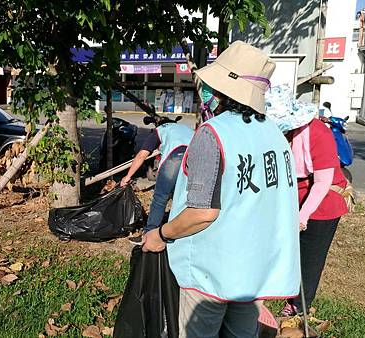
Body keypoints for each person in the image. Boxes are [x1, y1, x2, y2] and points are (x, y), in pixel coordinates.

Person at [142, 41, 301, 337]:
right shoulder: (275, 135)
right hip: (255, 270)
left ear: (220, 91)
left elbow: (202, 213)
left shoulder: (213, 133)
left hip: (211, 271)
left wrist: (161, 234)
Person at [266, 86, 349, 317]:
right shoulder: (280, 134)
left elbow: (323, 182)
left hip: (322, 203)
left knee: (309, 258)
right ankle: (281, 291)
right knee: (287, 251)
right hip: (294, 197)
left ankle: (298, 307)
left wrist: (302, 217)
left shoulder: (317, 132)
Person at [120, 120, 193, 231]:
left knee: (160, 197)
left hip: (176, 156)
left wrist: (128, 176)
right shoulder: (186, 128)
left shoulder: (159, 131)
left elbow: (142, 155)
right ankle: (182, 231)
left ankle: (150, 232)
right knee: (183, 197)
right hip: (195, 157)